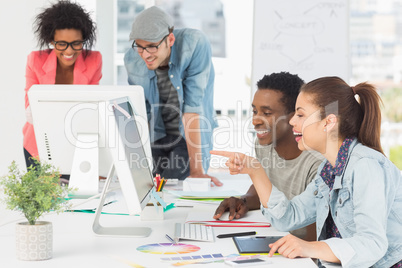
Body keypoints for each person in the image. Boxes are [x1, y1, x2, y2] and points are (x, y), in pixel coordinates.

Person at [211, 76, 402, 268]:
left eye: (300, 115)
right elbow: (289, 217)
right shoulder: (328, 170)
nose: (292, 121)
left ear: (328, 122)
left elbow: (372, 245)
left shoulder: (365, 166)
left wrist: (310, 247)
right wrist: (254, 170)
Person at [213, 72, 322, 241]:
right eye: (255, 111)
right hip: (274, 236)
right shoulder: (264, 145)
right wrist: (244, 201)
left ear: (294, 116)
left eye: (267, 113)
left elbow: (315, 234)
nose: (255, 121)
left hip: (299, 250)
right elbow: (267, 188)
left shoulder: (317, 162)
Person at [124, 6, 220, 185]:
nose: (145, 55)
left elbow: (192, 109)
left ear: (170, 39)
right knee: (146, 186)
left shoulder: (194, 44)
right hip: (157, 135)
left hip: (188, 136)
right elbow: (140, 114)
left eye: (152, 46)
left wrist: (197, 171)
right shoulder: (131, 58)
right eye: (140, 46)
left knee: (175, 185)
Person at [23, 0, 102, 169]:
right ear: (51, 41)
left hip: (76, 145)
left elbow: (92, 108)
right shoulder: (35, 60)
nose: (69, 51)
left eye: (76, 43)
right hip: (38, 145)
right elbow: (31, 113)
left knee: (76, 194)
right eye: (62, 44)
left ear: (84, 40)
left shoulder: (94, 60)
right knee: (44, 194)